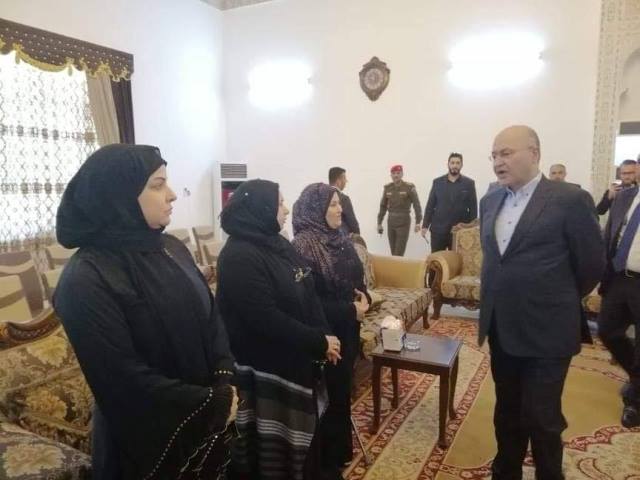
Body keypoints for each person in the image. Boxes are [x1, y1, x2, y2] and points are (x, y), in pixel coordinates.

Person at [54, 144, 238, 480]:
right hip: (148, 440)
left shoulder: (171, 248)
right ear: (119, 196)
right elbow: (121, 377)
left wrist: (223, 376)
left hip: (210, 414)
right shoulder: (86, 277)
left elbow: (211, 317)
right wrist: (209, 403)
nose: (172, 194)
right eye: (157, 185)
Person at [479, 126, 605, 480]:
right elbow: (495, 260)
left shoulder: (570, 199)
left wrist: (555, 298)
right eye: (494, 155)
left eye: (506, 153)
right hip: (502, 328)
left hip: (548, 330)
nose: (498, 162)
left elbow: (591, 265)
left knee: (542, 417)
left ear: (534, 153)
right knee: (507, 412)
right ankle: (506, 472)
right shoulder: (489, 199)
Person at [215, 179, 341, 480]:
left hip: (295, 358)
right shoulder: (238, 255)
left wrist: (325, 335)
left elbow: (308, 290)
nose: (285, 209)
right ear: (261, 208)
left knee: (304, 449)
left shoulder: (278, 243)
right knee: (274, 455)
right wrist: (317, 340)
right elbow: (265, 318)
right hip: (267, 370)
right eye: (279, 203)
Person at [292, 183, 370, 479]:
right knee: (328, 396)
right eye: (333, 205)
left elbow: (357, 281)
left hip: (348, 328)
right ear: (316, 209)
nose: (341, 210)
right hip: (325, 333)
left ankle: (339, 453)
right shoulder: (302, 246)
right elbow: (307, 302)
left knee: (341, 392)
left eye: (340, 204)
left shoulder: (340, 238)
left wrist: (364, 297)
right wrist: (351, 309)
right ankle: (325, 462)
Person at [598, 161, 640, 428]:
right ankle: (637, 377)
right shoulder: (625, 197)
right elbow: (610, 235)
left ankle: (634, 403)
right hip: (620, 278)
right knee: (607, 330)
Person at [421, 152, 477, 252]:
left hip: (459, 231)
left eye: (458, 163)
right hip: (438, 230)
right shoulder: (437, 182)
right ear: (448, 164)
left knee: (457, 260)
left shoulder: (469, 183)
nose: (455, 165)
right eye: (452, 163)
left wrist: (472, 228)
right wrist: (425, 225)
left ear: (461, 165)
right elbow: (430, 205)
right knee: (437, 260)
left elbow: (473, 208)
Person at [376, 165, 422, 256]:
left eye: (398, 173)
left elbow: (416, 205)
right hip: (391, 222)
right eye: (393, 173)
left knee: (398, 253)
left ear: (402, 174)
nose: (396, 175)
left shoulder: (409, 187)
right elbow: (383, 206)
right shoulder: (387, 188)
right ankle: (395, 265)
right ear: (391, 175)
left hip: (403, 222)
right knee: (393, 252)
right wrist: (379, 223)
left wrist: (418, 222)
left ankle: (397, 264)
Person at [329, 167, 360, 235]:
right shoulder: (344, 199)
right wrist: (357, 235)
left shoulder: (321, 197)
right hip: (341, 237)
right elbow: (352, 223)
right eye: (344, 178)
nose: (346, 181)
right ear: (338, 181)